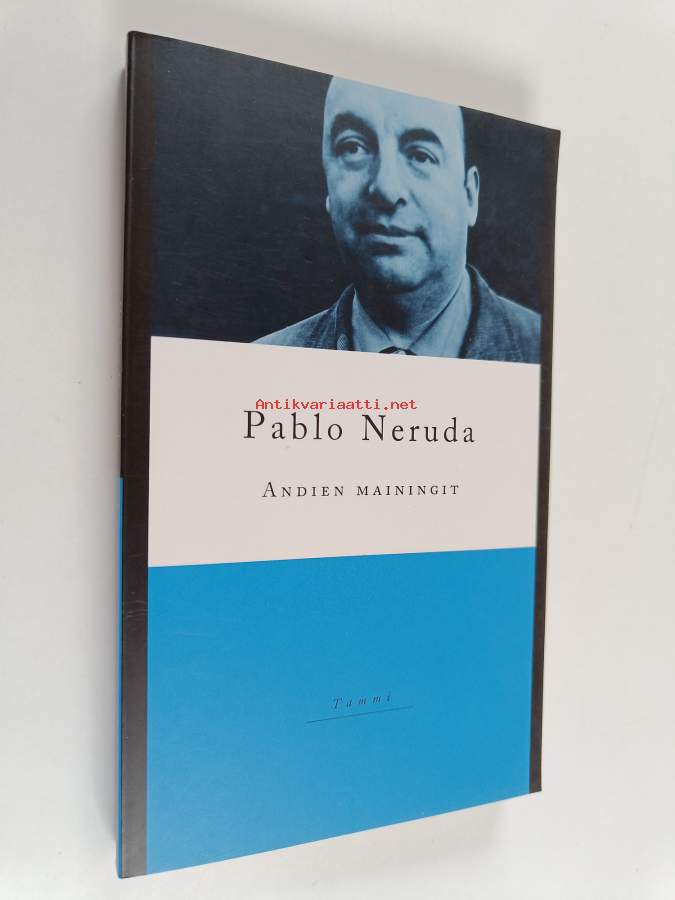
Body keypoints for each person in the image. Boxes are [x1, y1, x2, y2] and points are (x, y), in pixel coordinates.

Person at [257, 77, 540, 362]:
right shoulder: (265, 363)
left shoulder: (545, 351)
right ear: (327, 187)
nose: (386, 188)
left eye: (421, 155)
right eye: (353, 147)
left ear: (469, 196)